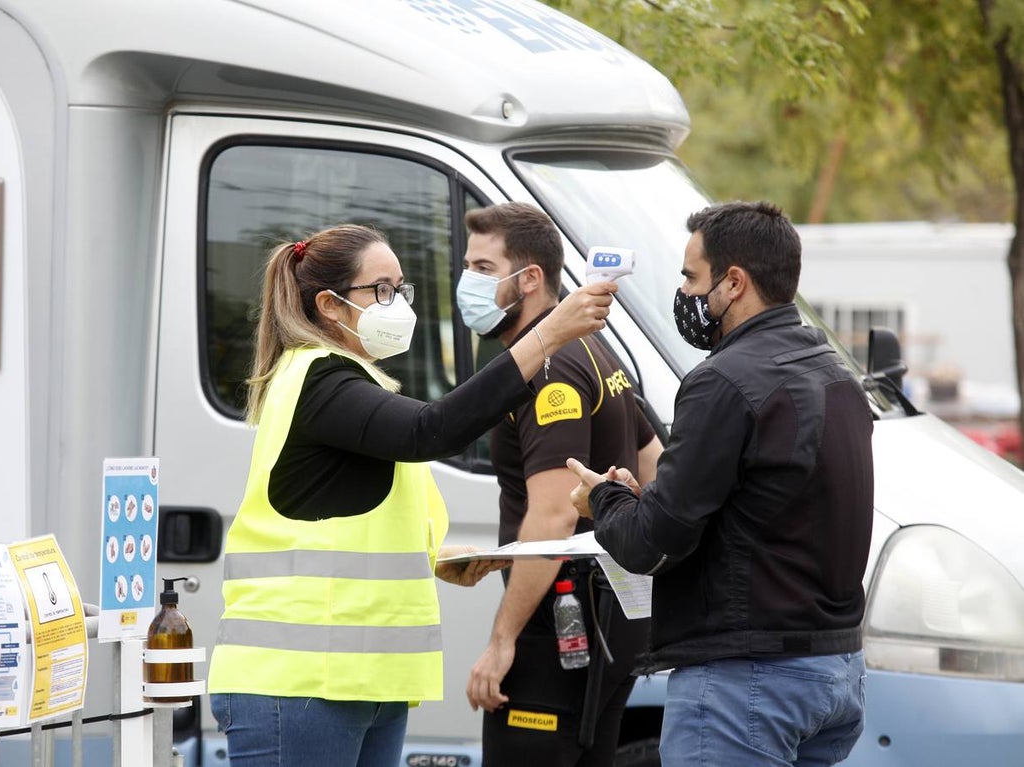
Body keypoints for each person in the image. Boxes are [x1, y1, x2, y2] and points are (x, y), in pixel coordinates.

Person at [207, 223, 616, 767]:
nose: (396, 303)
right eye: (380, 290)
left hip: (365, 680)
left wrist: (446, 560)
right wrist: (548, 334)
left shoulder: (357, 382)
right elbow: (432, 430)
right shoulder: (318, 378)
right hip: (300, 683)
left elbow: (357, 517)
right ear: (329, 305)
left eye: (402, 289)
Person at [568, 201, 874, 767]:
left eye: (690, 276)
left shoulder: (724, 381)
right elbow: (765, 507)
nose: (684, 292)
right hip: (835, 672)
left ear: (734, 282)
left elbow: (652, 540)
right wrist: (650, 500)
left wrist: (603, 499)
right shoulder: (837, 375)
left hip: (747, 682)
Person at [459, 202, 663, 766]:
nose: (466, 282)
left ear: (528, 280)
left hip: (558, 631)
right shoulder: (595, 348)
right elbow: (652, 466)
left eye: (480, 267)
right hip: (612, 624)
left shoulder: (549, 371)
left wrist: (502, 642)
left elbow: (552, 516)